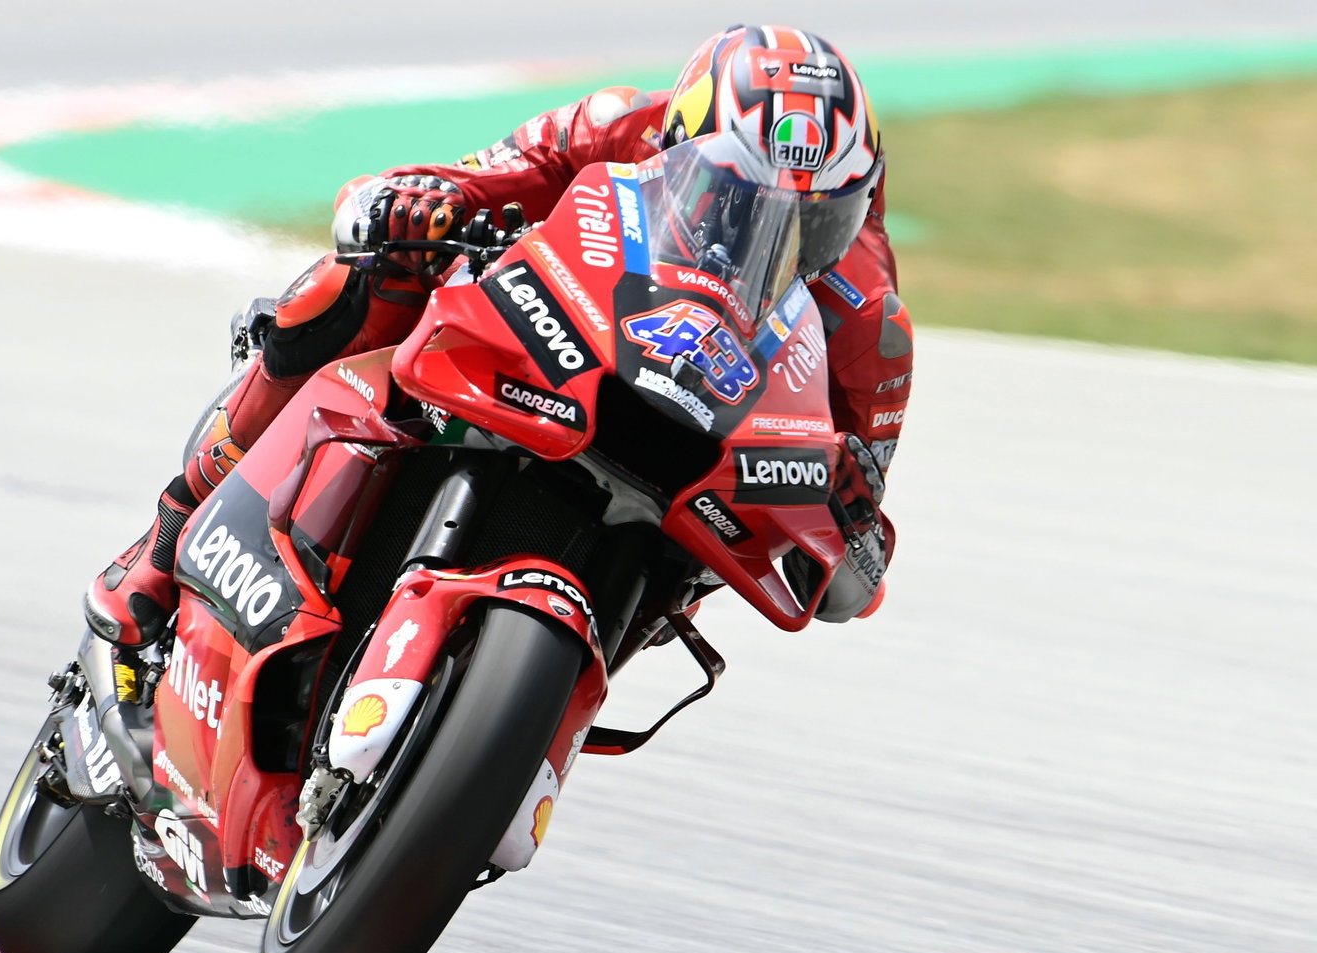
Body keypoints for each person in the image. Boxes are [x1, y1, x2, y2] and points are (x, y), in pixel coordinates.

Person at [84, 23, 913, 648]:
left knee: (704, 571)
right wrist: (419, 205)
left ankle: (524, 721)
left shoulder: (871, 323)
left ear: (862, 198)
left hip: (678, 476)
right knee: (367, 270)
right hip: (550, 343)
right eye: (739, 195)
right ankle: (167, 533)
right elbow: (468, 177)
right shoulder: (618, 122)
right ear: (677, 142)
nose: (782, 239)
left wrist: (839, 499)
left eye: (820, 219)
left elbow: (853, 565)